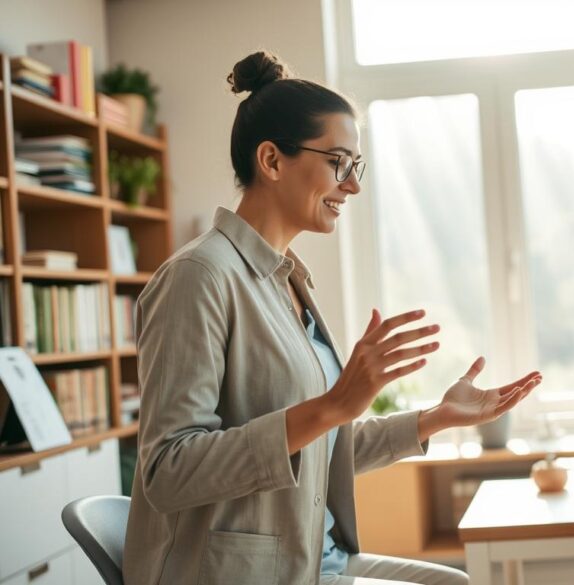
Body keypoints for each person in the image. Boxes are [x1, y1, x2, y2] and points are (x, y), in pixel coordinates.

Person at [123, 51, 542, 585]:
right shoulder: (199, 277)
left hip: (315, 560)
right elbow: (167, 472)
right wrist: (333, 405)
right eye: (339, 163)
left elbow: (316, 441)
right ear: (272, 161)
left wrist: (434, 418)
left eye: (356, 167)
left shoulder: (286, 280)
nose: (353, 186)